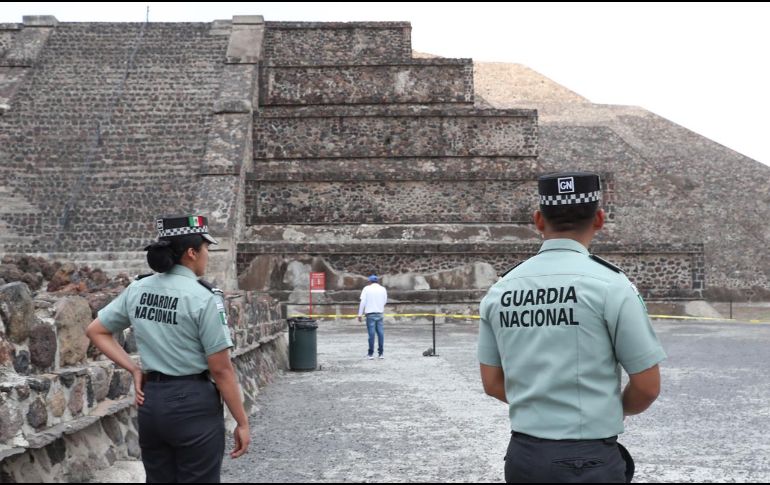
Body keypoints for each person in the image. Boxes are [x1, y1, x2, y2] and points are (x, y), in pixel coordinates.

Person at [477, 172, 666, 483]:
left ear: (538, 220)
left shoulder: (501, 290)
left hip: (524, 458)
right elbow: (647, 386)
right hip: (589, 460)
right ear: (600, 219)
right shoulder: (611, 286)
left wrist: (541, 403)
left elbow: (492, 383)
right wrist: (602, 409)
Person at [86, 215, 250, 483]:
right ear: (191, 252)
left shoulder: (138, 289)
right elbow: (221, 370)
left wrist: (134, 368)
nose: (208, 255)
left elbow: (96, 330)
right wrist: (242, 422)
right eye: (206, 248)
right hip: (193, 404)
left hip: (152, 402)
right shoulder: (204, 298)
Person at [357, 274, 388, 359]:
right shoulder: (383, 289)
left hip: (370, 314)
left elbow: (363, 302)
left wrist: (360, 314)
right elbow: (385, 301)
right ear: (377, 281)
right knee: (381, 334)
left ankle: (370, 354)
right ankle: (381, 354)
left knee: (371, 335)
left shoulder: (366, 289)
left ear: (370, 281)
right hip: (380, 313)